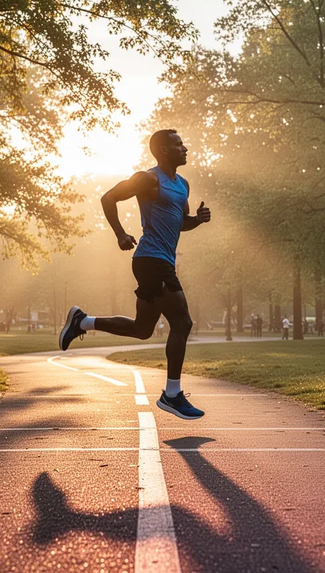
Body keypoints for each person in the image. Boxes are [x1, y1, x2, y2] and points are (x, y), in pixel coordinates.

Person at [58, 129, 211, 420]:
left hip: (161, 261)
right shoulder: (147, 178)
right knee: (183, 322)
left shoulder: (183, 185)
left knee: (142, 329)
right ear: (164, 150)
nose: (185, 148)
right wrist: (119, 233)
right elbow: (108, 198)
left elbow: (180, 224)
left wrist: (198, 221)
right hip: (151, 259)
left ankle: (83, 321)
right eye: (179, 144)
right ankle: (172, 394)